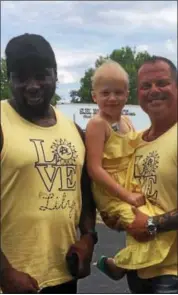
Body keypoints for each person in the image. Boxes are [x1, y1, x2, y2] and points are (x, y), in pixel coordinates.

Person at [0, 33, 97, 294]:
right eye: (21, 77)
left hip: (63, 275)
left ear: (55, 75)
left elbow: (85, 194)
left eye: (41, 75)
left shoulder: (74, 130)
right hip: (12, 282)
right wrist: (5, 272)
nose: (32, 85)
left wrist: (89, 237)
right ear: (10, 80)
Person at [85, 60, 177, 281]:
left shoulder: (127, 123)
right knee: (140, 220)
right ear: (94, 96)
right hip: (114, 191)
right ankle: (126, 265)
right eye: (146, 85)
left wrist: (152, 224)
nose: (112, 98)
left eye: (162, 83)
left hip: (171, 276)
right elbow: (94, 168)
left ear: (127, 94)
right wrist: (123, 198)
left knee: (146, 221)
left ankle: (119, 264)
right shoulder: (106, 127)